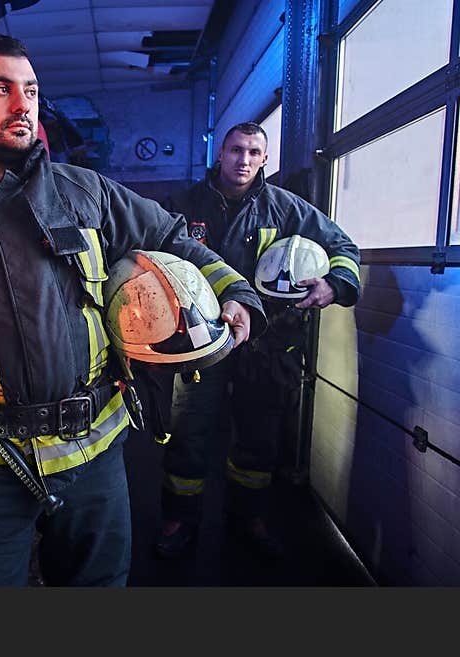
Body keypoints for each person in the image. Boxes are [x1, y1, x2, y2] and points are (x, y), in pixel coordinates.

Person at [0, 35, 265, 586]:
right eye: (0, 90)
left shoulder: (87, 193)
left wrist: (236, 291)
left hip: (93, 455)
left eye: (31, 91)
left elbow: (170, 236)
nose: (22, 105)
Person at [152, 121, 360, 560]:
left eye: (253, 152)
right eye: (235, 151)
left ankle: (249, 518)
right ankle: (178, 518)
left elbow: (343, 246)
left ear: (265, 159)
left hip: (267, 344)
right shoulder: (182, 206)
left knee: (259, 439)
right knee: (188, 433)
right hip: (200, 343)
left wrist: (335, 284)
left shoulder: (286, 209)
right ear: (220, 154)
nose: (243, 160)